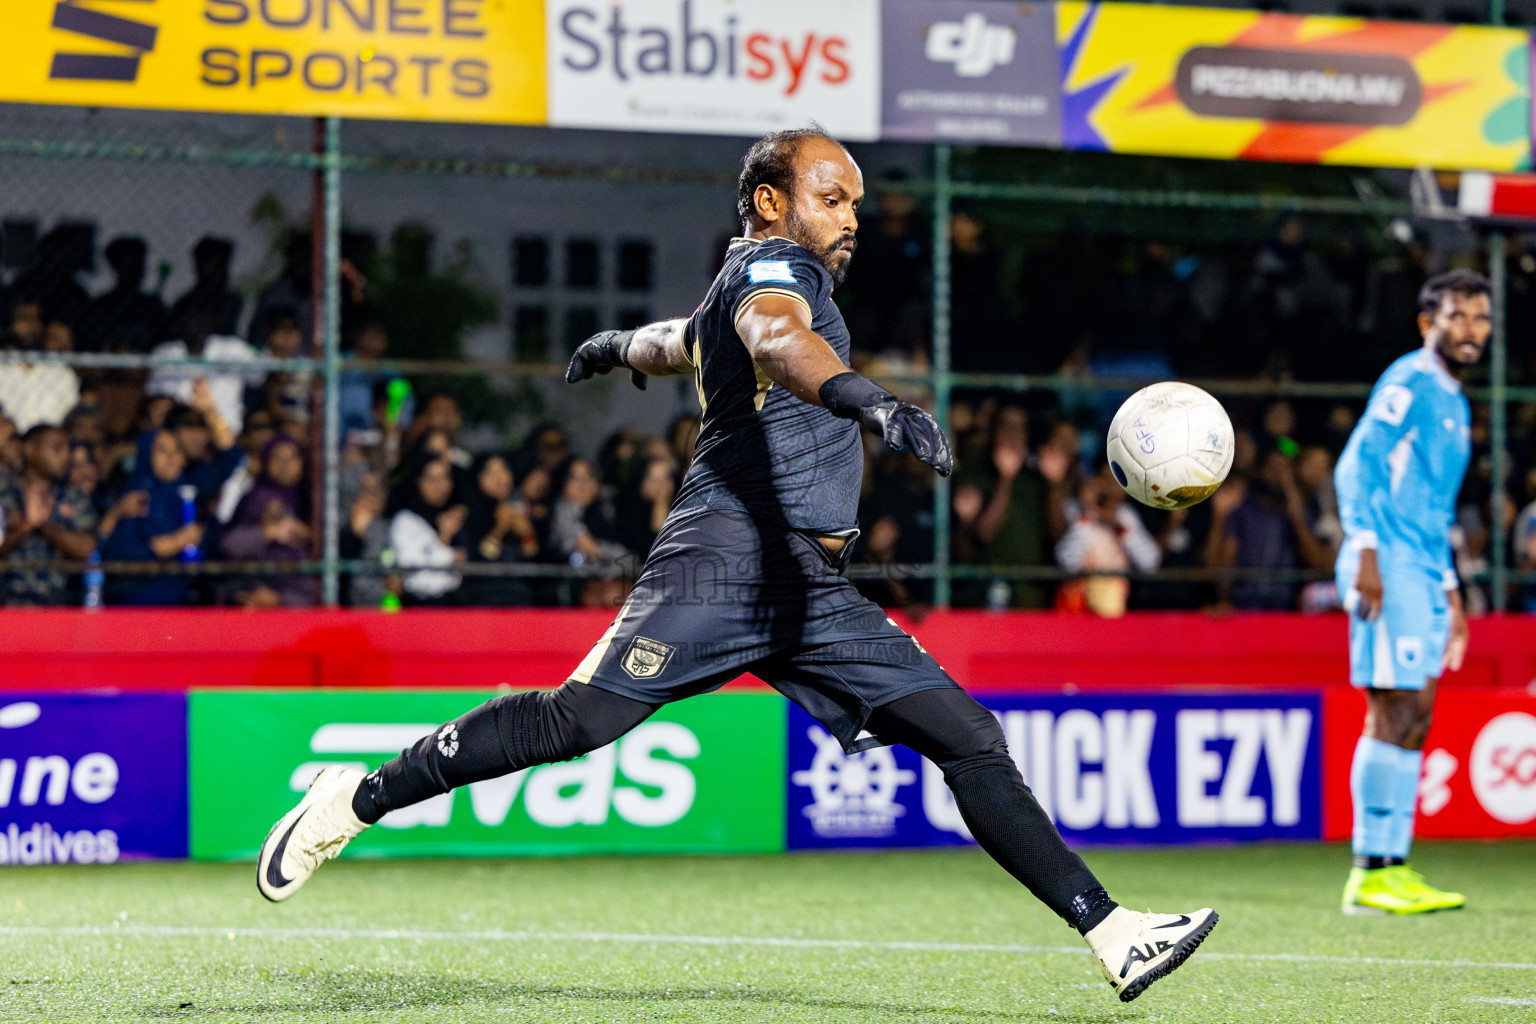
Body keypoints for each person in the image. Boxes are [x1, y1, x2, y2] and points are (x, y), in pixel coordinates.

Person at [255, 126, 1216, 1004]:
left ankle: (1114, 931)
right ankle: (355, 796)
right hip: (728, 553)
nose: (852, 218)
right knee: (578, 721)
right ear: (768, 199)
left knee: (967, 736)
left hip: (808, 585)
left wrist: (618, 345)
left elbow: (699, 340)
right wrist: (866, 401)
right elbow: (773, 338)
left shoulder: (753, 277)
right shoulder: (774, 275)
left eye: (855, 203)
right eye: (834, 197)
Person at [1335, 270, 1488, 915]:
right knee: (1393, 707)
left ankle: (1394, 864)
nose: (1471, 330)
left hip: (1422, 565)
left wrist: (1450, 588)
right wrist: (1365, 546)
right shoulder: (1410, 382)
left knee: (1419, 710)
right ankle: (1370, 868)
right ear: (1428, 323)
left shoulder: (1454, 400)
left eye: (1481, 318)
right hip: (1387, 558)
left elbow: (1432, 503)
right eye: (1457, 316)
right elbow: (1357, 463)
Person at [0, 425, 98, 605]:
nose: (66, 456)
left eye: (68, 449)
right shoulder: (5, 488)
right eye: (57, 448)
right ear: (29, 450)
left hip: (58, 605)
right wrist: (26, 527)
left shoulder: (72, 495)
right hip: (8, 602)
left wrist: (44, 525)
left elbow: (87, 548)